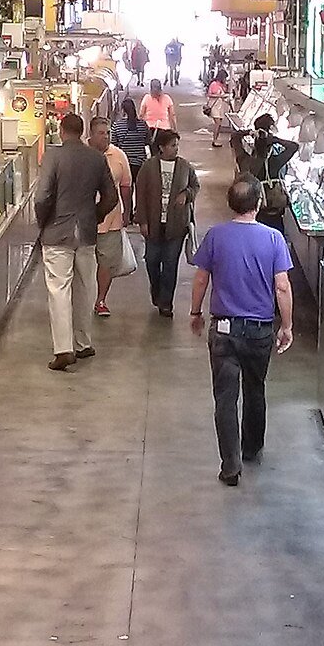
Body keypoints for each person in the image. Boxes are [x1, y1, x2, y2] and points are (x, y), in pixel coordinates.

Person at [190, 175, 294, 485]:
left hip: (223, 331)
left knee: (225, 397)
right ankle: (252, 447)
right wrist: (286, 325)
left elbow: (200, 279)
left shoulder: (215, 236)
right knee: (255, 388)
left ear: (230, 203)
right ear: (259, 203)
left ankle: (230, 465)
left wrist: (195, 312)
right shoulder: (273, 239)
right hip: (260, 330)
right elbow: (282, 286)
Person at [33, 111, 118, 372]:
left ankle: (63, 349)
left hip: (57, 233)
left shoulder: (53, 156)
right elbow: (111, 196)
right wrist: (95, 214)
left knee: (59, 289)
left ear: (61, 130)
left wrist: (43, 222)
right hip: (87, 232)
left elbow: (42, 197)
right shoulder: (96, 158)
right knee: (85, 287)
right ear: (82, 132)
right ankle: (83, 342)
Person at [134, 127, 198, 318]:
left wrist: (186, 194)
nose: (176, 149)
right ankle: (157, 292)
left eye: (177, 145)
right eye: (172, 145)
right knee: (152, 261)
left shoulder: (185, 167)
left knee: (170, 265)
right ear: (161, 147)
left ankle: (166, 303)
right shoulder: (148, 167)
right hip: (153, 224)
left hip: (176, 226)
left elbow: (195, 185)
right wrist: (142, 220)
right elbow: (141, 194)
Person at [88, 115, 132, 317]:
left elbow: (126, 186)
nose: (105, 137)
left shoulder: (118, 156)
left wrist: (127, 213)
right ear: (91, 134)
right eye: (101, 134)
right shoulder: (83, 154)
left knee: (107, 261)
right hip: (84, 218)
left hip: (111, 218)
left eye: (108, 134)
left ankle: (101, 300)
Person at [231, 113, 299, 229]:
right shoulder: (275, 162)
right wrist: (274, 139)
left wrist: (249, 132)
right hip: (275, 213)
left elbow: (235, 137)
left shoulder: (245, 160)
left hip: (255, 212)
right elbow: (294, 146)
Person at [111, 93, 150, 183]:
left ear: (123, 111)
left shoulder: (117, 125)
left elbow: (113, 144)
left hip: (124, 162)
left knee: (126, 188)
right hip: (140, 163)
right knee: (140, 188)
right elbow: (147, 142)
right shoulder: (143, 125)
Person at [137, 77, 177, 149]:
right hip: (164, 129)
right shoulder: (167, 98)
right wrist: (175, 129)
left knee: (151, 150)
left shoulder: (146, 98)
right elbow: (172, 115)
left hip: (150, 129)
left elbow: (141, 115)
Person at [204, 71, 228, 148]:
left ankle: (216, 139)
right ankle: (214, 140)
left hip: (220, 106)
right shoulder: (214, 84)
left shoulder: (222, 85)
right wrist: (218, 96)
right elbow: (209, 94)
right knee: (217, 123)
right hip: (214, 106)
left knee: (219, 124)